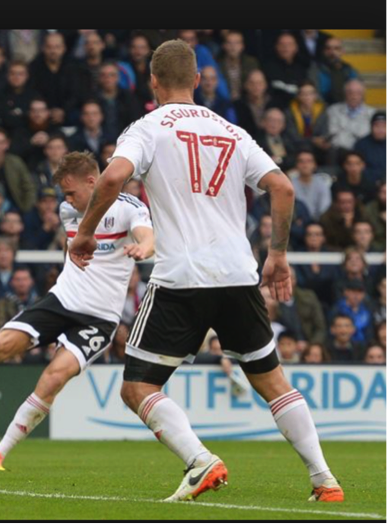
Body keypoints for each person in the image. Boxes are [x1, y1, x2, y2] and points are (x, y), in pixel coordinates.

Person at [68, 39, 342, 503]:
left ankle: (200, 461)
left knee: (137, 387)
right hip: (238, 274)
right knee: (274, 384)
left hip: (182, 277)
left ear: (153, 83)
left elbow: (113, 178)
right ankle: (325, 480)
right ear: (197, 80)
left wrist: (86, 233)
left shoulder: (148, 127)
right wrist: (276, 253)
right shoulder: (232, 130)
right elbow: (282, 187)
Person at [0, 151, 153, 472]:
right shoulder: (68, 211)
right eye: (65, 195)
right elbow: (71, 247)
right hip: (61, 300)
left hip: (99, 319)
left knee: (52, 378)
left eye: (71, 192)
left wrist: (143, 248)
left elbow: (147, 235)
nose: (67, 200)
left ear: (93, 182)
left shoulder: (130, 209)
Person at [327, 79, 375, 151]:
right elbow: (332, 135)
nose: (354, 96)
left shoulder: (373, 113)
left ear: (363, 95)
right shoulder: (332, 111)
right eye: (350, 92)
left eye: (358, 93)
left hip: (364, 152)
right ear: (345, 93)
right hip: (339, 152)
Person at [290, 150, 332, 220]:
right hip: (298, 222)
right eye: (301, 161)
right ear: (296, 165)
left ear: (315, 165)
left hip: (318, 223)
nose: (305, 165)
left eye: (309, 161)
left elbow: (325, 207)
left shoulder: (322, 184)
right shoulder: (290, 184)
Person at [355, 111, 387, 184]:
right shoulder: (361, 144)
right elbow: (357, 168)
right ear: (371, 127)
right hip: (368, 184)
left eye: (384, 126)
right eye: (377, 126)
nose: (380, 130)